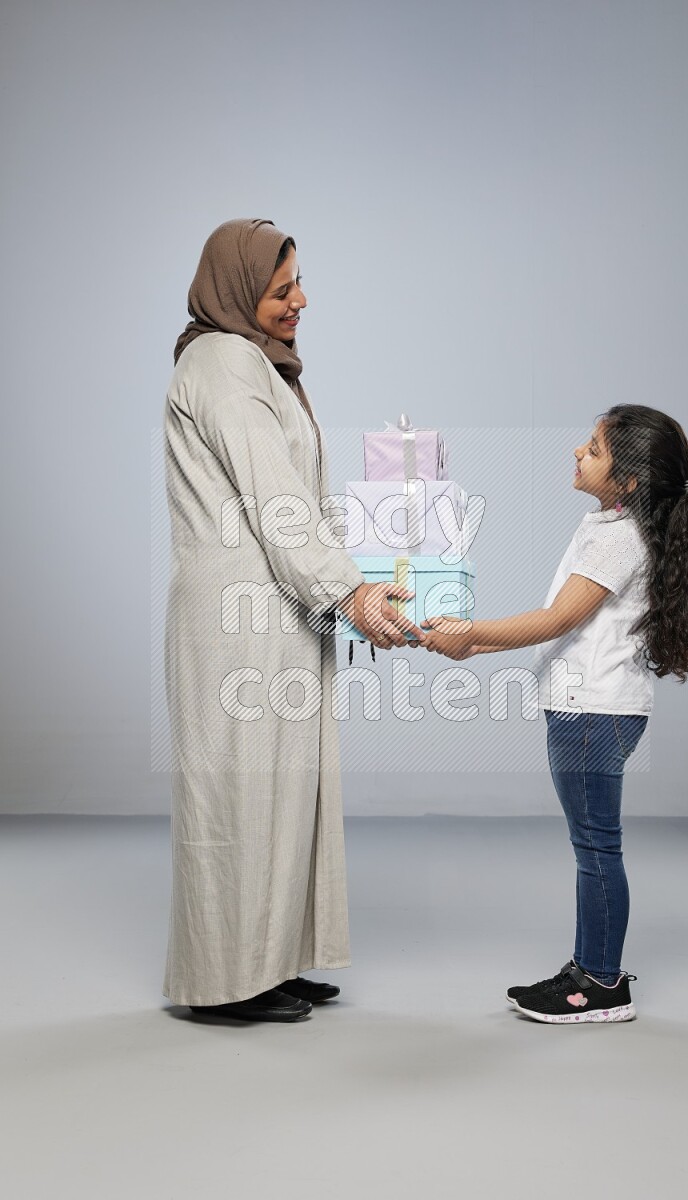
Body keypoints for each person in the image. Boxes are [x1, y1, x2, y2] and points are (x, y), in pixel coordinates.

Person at [162, 218, 422, 1023]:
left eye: (299, 283)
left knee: (286, 791)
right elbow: (278, 503)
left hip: (279, 606)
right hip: (240, 618)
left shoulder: (260, 369)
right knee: (240, 796)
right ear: (240, 291)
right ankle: (223, 983)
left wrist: (358, 588)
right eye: (282, 290)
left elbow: (304, 503)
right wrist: (347, 594)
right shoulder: (224, 364)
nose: (300, 301)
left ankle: (268, 963)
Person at [419, 405, 688, 1023]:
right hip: (596, 708)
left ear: (629, 480)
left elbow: (559, 619)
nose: (577, 452)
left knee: (595, 847)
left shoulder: (617, 536)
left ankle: (599, 984)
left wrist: (469, 634)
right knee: (594, 845)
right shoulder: (614, 522)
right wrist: (469, 643)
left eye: (593, 448)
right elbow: (561, 625)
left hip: (591, 712)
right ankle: (591, 965)